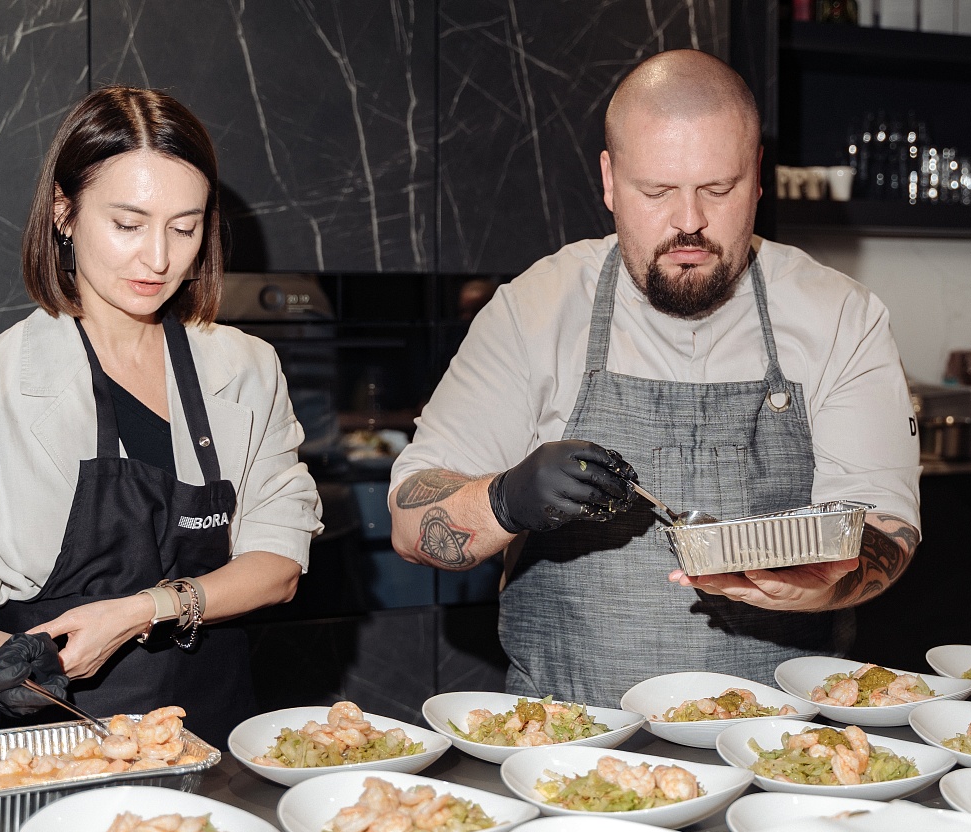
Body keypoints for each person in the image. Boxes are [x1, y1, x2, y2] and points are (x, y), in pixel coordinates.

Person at [389, 51, 920, 707]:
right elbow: (411, 522)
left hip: (790, 740)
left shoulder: (840, 315)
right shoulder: (535, 308)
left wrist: (821, 583)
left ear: (757, 177)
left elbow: (887, 530)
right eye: (657, 191)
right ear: (610, 180)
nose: (689, 221)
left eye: (718, 189)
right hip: (564, 740)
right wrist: (503, 499)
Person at [0, 87, 322, 748]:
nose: (159, 258)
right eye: (128, 224)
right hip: (33, 752)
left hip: (206, 743)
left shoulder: (245, 369)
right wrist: (4, 662)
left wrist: (144, 609)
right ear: (64, 212)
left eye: (185, 227)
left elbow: (278, 563)